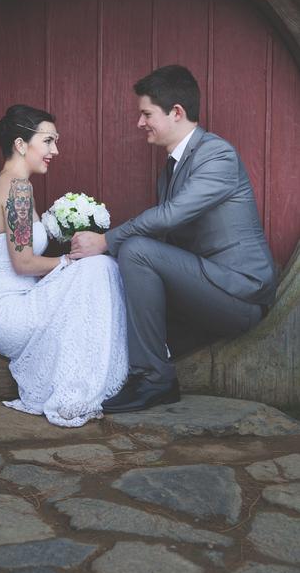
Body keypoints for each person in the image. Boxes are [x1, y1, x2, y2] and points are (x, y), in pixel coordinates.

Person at [70, 65, 276, 413]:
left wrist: (106, 240)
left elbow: (170, 216)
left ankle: (155, 379)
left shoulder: (216, 154)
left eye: (146, 113)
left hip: (241, 293)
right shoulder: (169, 173)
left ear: (176, 112)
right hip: (206, 288)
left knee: (135, 250)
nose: (140, 123)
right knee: (132, 266)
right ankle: (139, 368)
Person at [0, 104, 128, 427]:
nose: (55, 150)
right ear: (21, 144)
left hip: (14, 302)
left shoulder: (15, 184)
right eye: (48, 141)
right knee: (98, 268)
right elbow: (23, 263)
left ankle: (87, 378)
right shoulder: (17, 189)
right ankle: (79, 386)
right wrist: (68, 260)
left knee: (98, 267)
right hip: (3, 311)